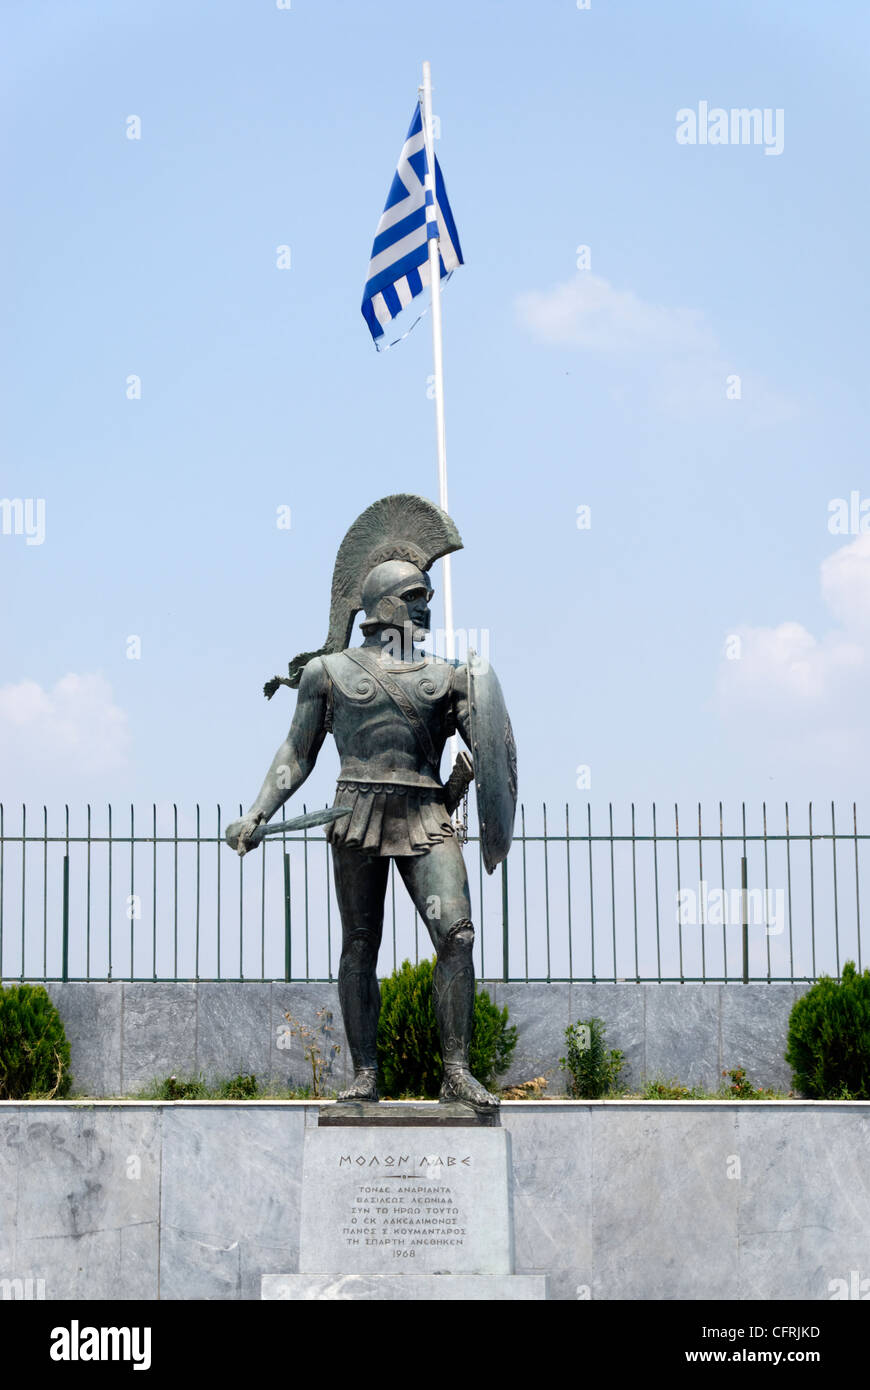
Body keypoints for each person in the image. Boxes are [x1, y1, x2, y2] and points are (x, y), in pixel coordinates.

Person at [226, 555, 501, 1109]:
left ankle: (456, 1071)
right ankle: (365, 1073)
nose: (427, 608)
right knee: (359, 945)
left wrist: (469, 769)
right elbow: (296, 752)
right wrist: (258, 812)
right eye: (418, 597)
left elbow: (494, 748)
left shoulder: (446, 677)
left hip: (427, 813)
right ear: (387, 605)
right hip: (357, 812)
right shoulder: (327, 674)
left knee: (458, 936)